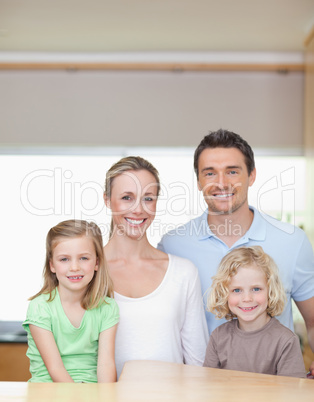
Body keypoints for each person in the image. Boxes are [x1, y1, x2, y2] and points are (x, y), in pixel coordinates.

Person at [158, 129, 314, 375]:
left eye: (232, 171)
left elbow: (312, 320)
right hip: (200, 388)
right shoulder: (173, 245)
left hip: (274, 389)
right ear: (198, 181)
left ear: (251, 175)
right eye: (210, 173)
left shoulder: (292, 241)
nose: (221, 183)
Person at [103, 156, 208, 378]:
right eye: (126, 197)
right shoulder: (85, 272)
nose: (138, 209)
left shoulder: (183, 272)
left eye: (148, 198)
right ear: (107, 200)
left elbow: (198, 362)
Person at [23, 220, 119, 383]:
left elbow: (106, 365)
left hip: (92, 392)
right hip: (49, 391)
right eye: (64, 259)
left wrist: (105, 397)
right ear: (52, 265)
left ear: (96, 263)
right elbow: (55, 369)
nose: (74, 267)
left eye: (83, 258)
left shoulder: (108, 308)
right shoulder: (39, 307)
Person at [203, 246, 306, 377]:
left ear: (270, 291)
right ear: (224, 294)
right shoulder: (218, 337)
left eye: (256, 289)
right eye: (236, 290)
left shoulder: (286, 341)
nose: (247, 298)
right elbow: (208, 387)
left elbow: (293, 394)